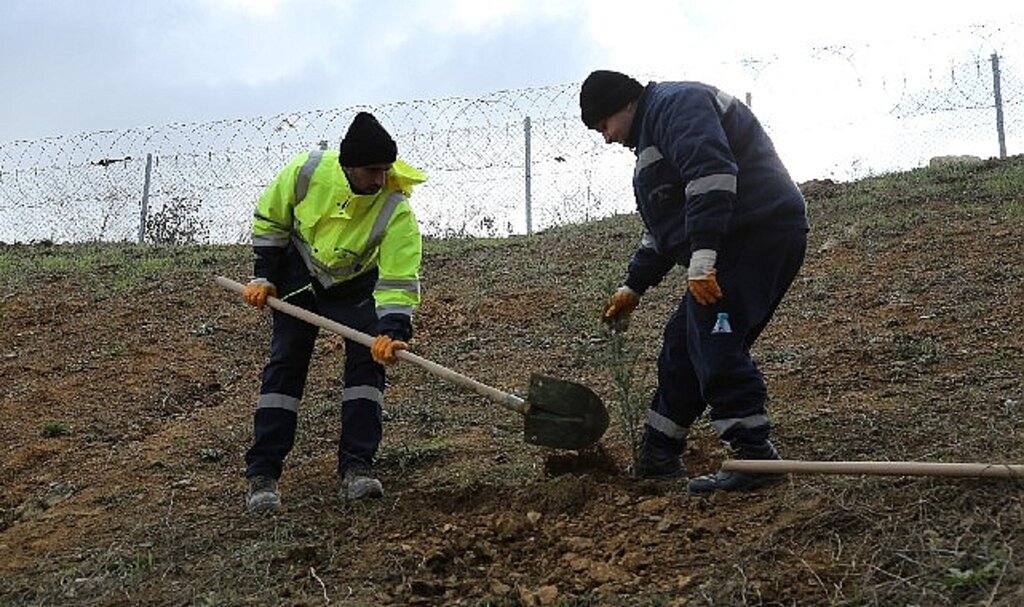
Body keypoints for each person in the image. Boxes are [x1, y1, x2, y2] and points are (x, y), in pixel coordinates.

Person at [579, 70, 809, 494]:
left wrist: (703, 256)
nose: (606, 137)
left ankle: (754, 457)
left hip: (757, 233)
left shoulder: (676, 105)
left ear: (624, 104)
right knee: (683, 342)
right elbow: (665, 229)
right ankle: (659, 451)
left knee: (713, 339)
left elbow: (712, 174)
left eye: (603, 126)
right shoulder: (653, 137)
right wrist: (633, 286)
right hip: (732, 241)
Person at [240, 112, 426, 512]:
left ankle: (357, 468)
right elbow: (272, 220)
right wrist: (264, 276)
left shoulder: (396, 207)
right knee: (285, 363)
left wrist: (392, 329)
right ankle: (263, 474)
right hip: (298, 275)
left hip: (356, 286)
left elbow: (398, 276)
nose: (379, 179)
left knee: (366, 366)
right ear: (347, 167)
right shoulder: (306, 171)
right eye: (370, 171)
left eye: (384, 170)